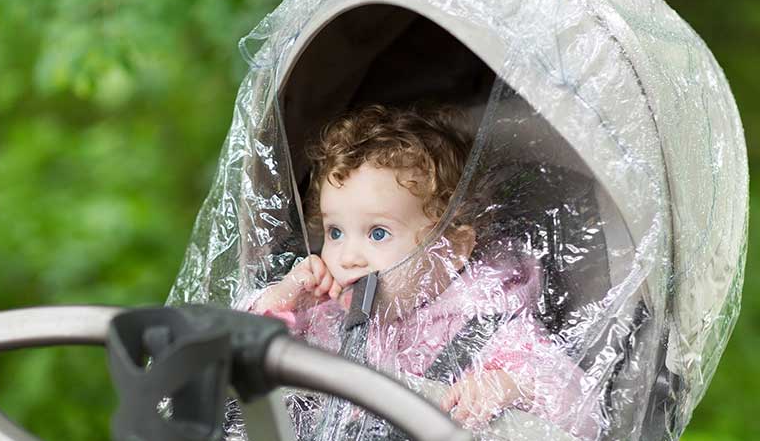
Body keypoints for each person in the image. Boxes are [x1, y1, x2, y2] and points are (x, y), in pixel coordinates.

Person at [246, 104, 600, 439]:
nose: (348, 257)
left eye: (378, 233)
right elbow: (240, 368)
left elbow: (584, 414)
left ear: (453, 248)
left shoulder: (484, 326)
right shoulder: (325, 316)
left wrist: (510, 386)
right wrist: (281, 300)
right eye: (335, 232)